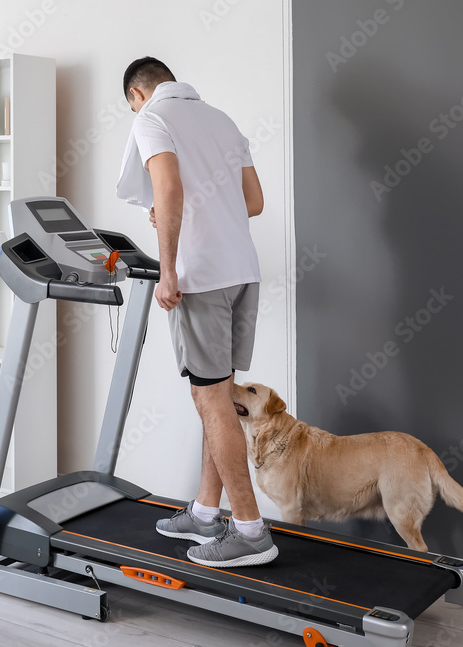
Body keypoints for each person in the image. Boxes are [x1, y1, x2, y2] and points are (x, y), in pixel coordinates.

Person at [116, 57, 276, 568]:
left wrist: (168, 271)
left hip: (200, 278)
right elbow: (253, 201)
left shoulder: (151, 118)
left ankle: (250, 531)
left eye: (130, 106)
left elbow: (169, 189)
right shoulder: (220, 118)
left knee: (209, 401)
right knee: (217, 394)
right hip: (241, 272)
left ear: (137, 95)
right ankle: (206, 513)